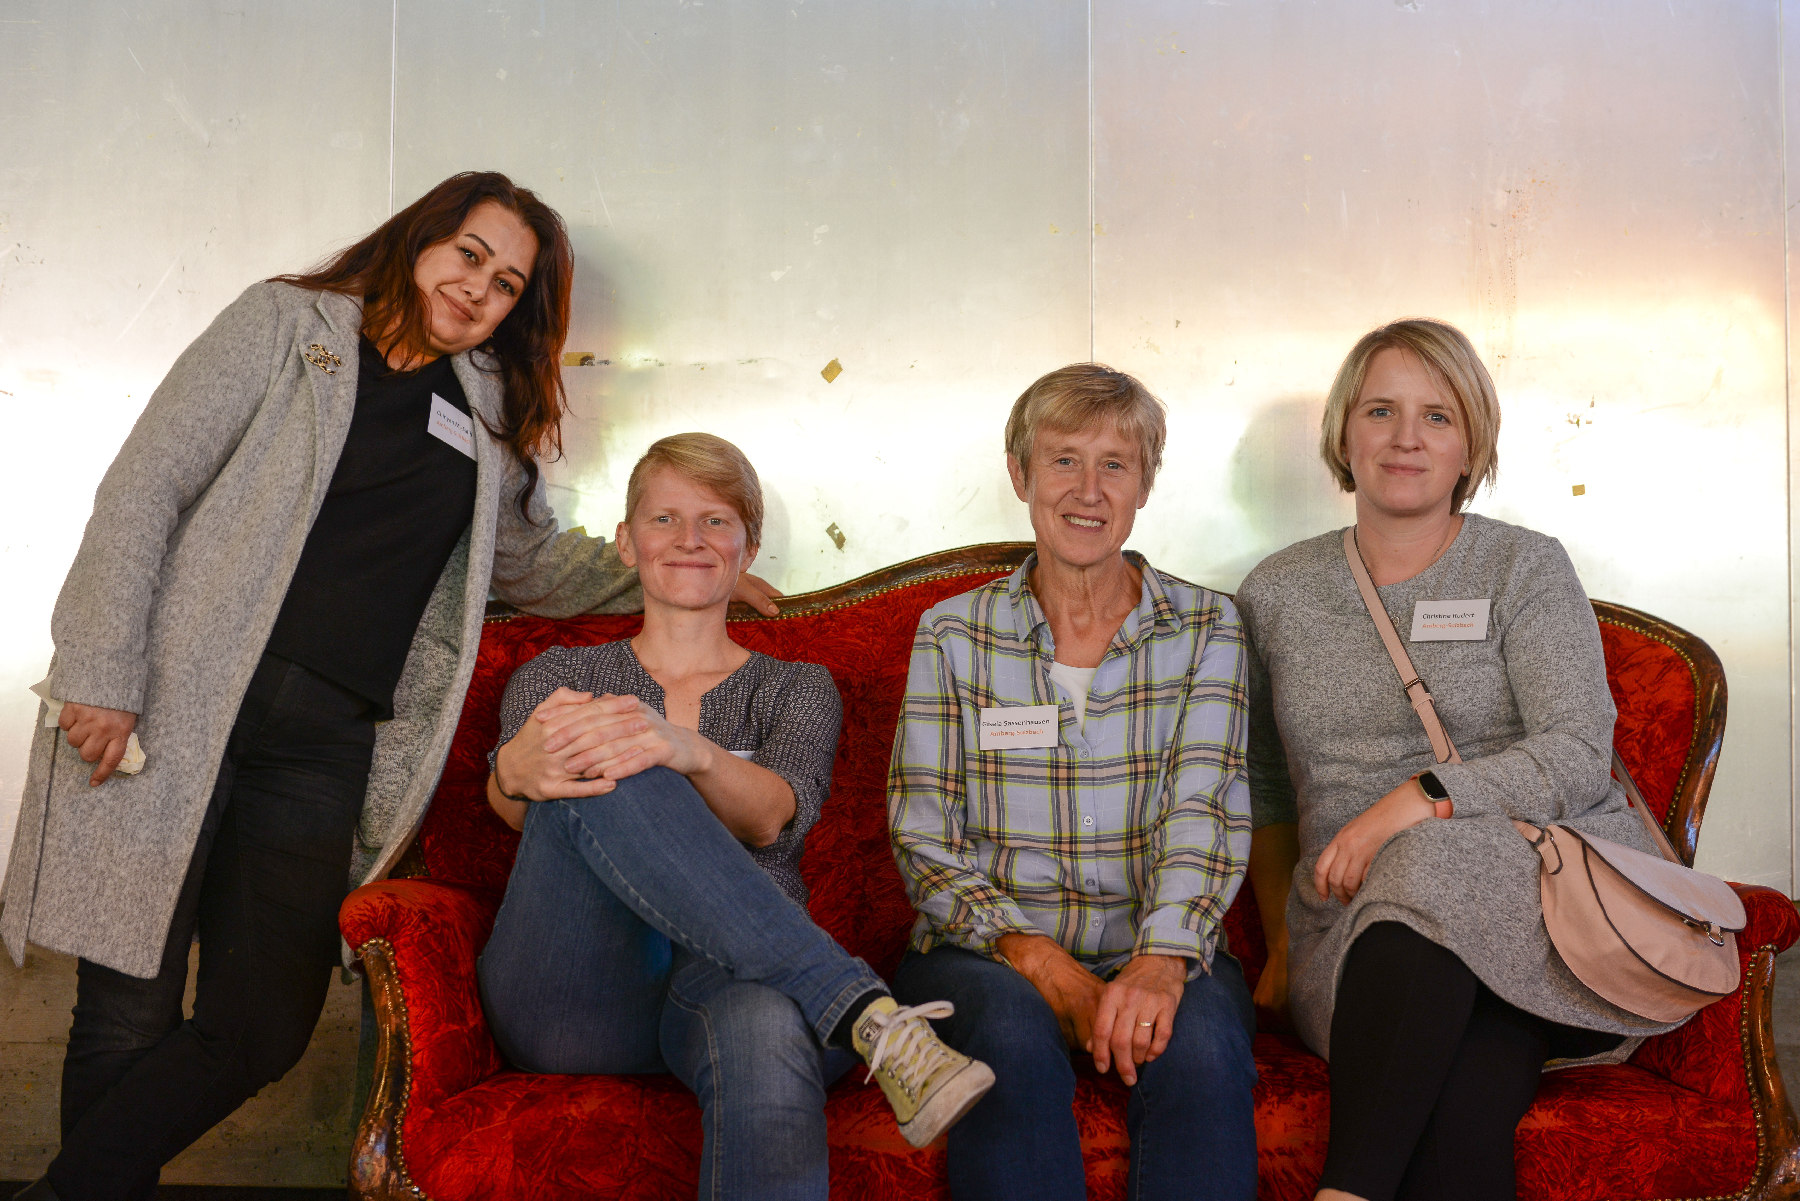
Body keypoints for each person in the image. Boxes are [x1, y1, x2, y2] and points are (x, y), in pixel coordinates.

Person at [4, 172, 779, 1201]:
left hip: (323, 741)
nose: (478, 290)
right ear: (421, 239)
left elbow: (525, 563)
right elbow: (147, 483)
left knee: (266, 1023)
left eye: (506, 285)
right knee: (126, 1010)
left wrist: (674, 562)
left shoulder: (482, 407)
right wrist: (102, 669)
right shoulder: (285, 326)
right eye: (468, 255)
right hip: (182, 699)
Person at [477, 432, 995, 1200]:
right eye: (665, 519)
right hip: (577, 988)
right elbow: (537, 822)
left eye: (716, 521)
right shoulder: (559, 674)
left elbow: (772, 821)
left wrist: (687, 748)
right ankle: (859, 1006)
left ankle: (831, 1002)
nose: (690, 539)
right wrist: (508, 774)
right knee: (612, 753)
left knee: (760, 1023)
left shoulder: (799, 686)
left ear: (748, 550)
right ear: (626, 542)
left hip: (739, 983)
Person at [1236, 318, 1684, 1201]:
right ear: (1343, 433)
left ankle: (1347, 1190)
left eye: (1437, 416)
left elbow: (1578, 754)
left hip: (1545, 918)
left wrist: (1417, 799)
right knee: (1473, 1091)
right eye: (1381, 410)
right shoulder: (1276, 593)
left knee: (1430, 854)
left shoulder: (1524, 567)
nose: (1407, 437)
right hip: (1357, 941)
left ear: (1471, 441)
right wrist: (1284, 936)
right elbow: (1265, 784)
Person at [887, 364, 1258, 1201]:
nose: (1087, 490)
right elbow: (924, 835)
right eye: (1062, 460)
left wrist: (1161, 962)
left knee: (1197, 1050)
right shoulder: (952, 633)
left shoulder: (1207, 628)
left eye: (1115, 464)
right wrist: (1047, 968)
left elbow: (1203, 808)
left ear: (1145, 485)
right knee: (1012, 1035)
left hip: (1159, 943)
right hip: (987, 955)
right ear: (1019, 475)